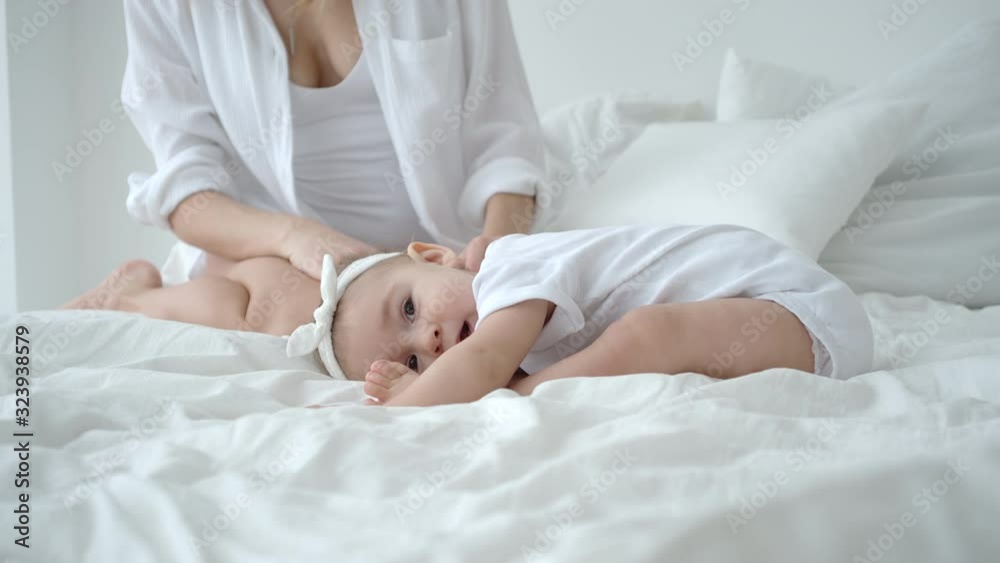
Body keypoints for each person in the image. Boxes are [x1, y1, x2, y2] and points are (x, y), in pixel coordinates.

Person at [67, 225, 872, 404]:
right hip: (787, 334)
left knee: (645, 337)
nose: (430, 341)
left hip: (797, 310)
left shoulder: (516, 263)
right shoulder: (510, 320)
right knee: (644, 344)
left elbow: (482, 367)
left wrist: (406, 404)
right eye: (415, 355)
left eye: (411, 307)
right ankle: (142, 291)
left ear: (439, 254)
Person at [91, 0, 547, 299]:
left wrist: (499, 254)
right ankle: (129, 300)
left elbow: (506, 145)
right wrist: (296, 240)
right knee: (271, 304)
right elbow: (185, 192)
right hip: (278, 265)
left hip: (442, 261)